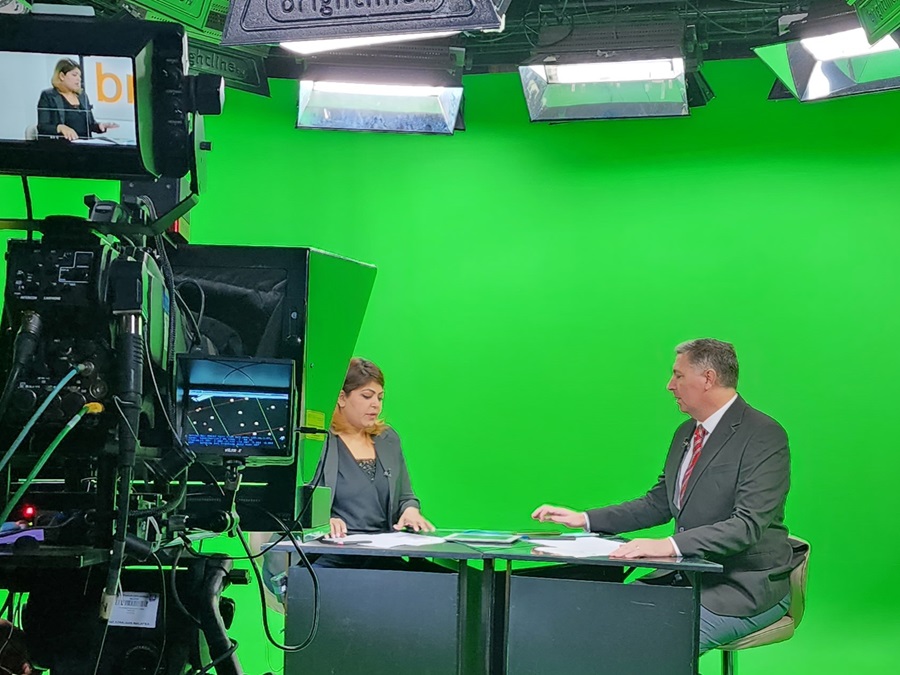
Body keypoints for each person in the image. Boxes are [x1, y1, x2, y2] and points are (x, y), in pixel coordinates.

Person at [532, 338, 793, 654]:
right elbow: (658, 503)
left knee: (652, 642)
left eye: (678, 375)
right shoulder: (686, 433)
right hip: (684, 577)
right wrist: (585, 519)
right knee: (600, 621)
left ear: (708, 378)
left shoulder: (763, 435)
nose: (670, 385)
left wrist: (668, 545)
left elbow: (747, 525)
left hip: (740, 588)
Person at [319, 357, 433, 540]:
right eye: (367, 396)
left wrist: (410, 511)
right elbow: (298, 505)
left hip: (383, 548)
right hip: (332, 548)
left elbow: (405, 498)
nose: (376, 404)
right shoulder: (318, 440)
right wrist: (323, 522)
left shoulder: (388, 439)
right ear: (341, 398)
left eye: (380, 398)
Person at [36, 59, 119, 140]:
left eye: (79, 76)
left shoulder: (82, 96)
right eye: (74, 75)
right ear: (62, 76)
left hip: (85, 144)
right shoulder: (48, 96)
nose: (79, 79)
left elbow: (90, 124)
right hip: (62, 145)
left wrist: (100, 126)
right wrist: (60, 127)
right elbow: (42, 127)